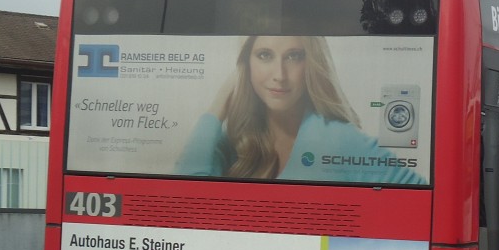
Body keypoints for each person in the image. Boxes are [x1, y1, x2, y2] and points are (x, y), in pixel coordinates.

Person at [176, 35, 424, 184]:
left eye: (294, 56)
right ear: (245, 64)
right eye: (264, 55)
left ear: (312, 63)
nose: (279, 76)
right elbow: (184, 201)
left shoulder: (339, 139)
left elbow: (424, 205)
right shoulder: (231, 141)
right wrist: (218, 106)